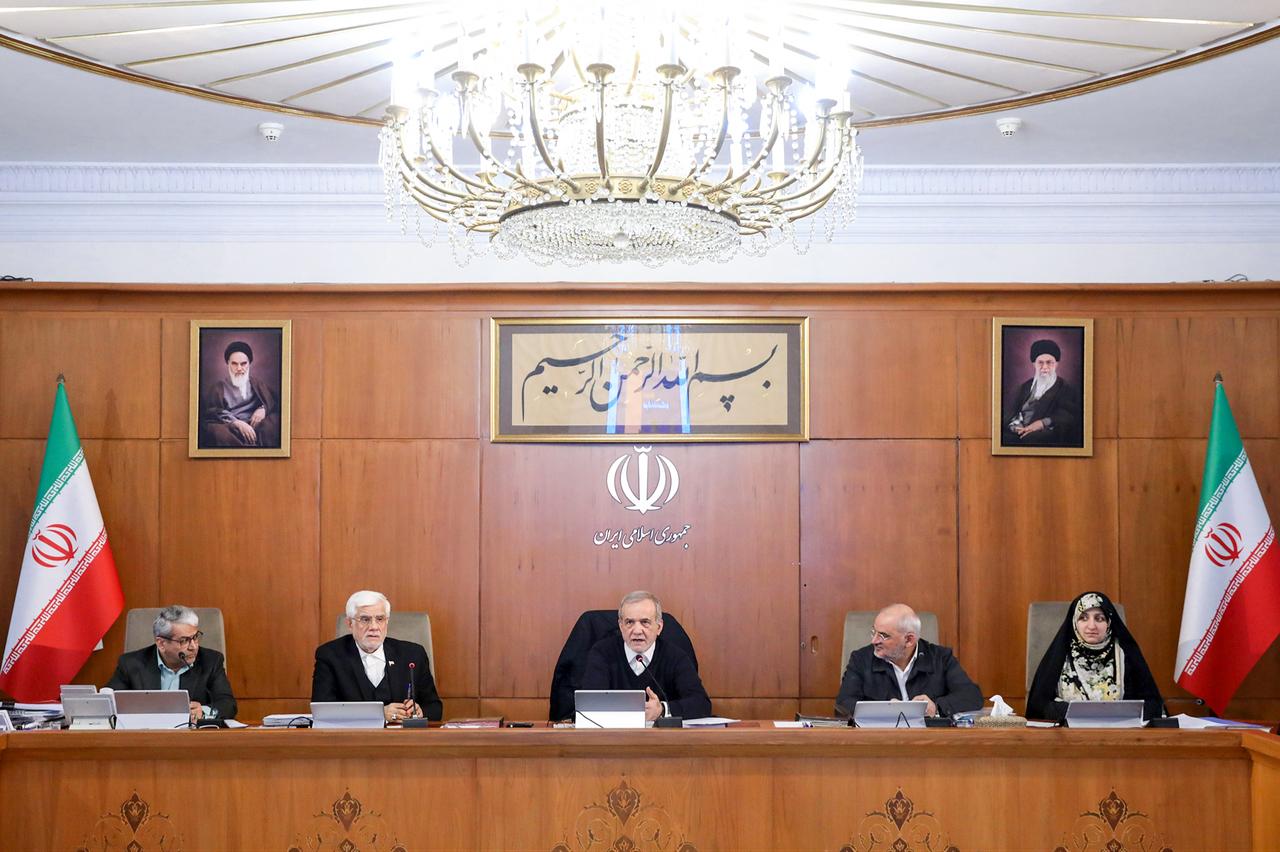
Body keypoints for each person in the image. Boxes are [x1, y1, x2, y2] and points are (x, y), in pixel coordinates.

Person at [1026, 591, 1165, 722]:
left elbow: (1152, 706)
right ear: (1074, 622)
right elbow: (1039, 706)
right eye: (1083, 618)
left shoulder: (1126, 655)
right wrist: (1068, 712)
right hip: (1066, 738)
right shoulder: (1059, 655)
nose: (1091, 626)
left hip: (1118, 737)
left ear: (1109, 623)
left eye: (1099, 618)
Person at [312, 590, 442, 723]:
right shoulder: (330, 655)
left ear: (387, 622)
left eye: (380, 619)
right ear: (350, 624)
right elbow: (323, 712)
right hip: (353, 739)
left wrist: (420, 712)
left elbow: (435, 708)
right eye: (365, 619)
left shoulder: (413, 654)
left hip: (402, 740)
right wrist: (380, 715)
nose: (373, 627)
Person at [580, 590, 711, 722]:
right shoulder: (602, 653)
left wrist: (663, 710)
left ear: (659, 627)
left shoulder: (675, 656)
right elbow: (590, 705)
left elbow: (701, 704)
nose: (637, 631)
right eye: (629, 622)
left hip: (662, 740)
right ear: (621, 626)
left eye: (645, 622)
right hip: (615, 737)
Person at [835, 603, 982, 718]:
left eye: (884, 636)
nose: (874, 641)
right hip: (880, 740)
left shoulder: (940, 658)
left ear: (909, 640)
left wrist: (936, 707)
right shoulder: (861, 659)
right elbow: (843, 705)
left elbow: (971, 696)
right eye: (874, 632)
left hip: (929, 742)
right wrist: (884, 710)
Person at [105, 605, 237, 723]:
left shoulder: (211, 661)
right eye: (184, 640)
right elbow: (108, 703)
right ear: (161, 643)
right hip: (145, 738)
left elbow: (228, 705)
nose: (193, 646)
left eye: (195, 637)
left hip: (191, 741)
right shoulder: (131, 664)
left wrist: (204, 711)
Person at [1002, 338, 1083, 446]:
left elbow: (1068, 416)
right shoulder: (1025, 387)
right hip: (1020, 430)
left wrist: (1041, 423)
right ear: (1034, 364)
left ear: (1056, 364)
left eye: (1049, 362)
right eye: (1040, 362)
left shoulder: (1065, 388)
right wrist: (1017, 426)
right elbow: (1013, 413)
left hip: (1045, 432)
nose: (1045, 367)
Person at [200, 340, 280, 448]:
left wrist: (263, 409)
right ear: (228, 364)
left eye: (243, 364)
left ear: (249, 364)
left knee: (274, 424)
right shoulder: (218, 387)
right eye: (234, 364)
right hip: (230, 426)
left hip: (255, 425)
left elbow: (272, 401)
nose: (239, 368)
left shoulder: (257, 384)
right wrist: (236, 423)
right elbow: (212, 411)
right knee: (216, 433)